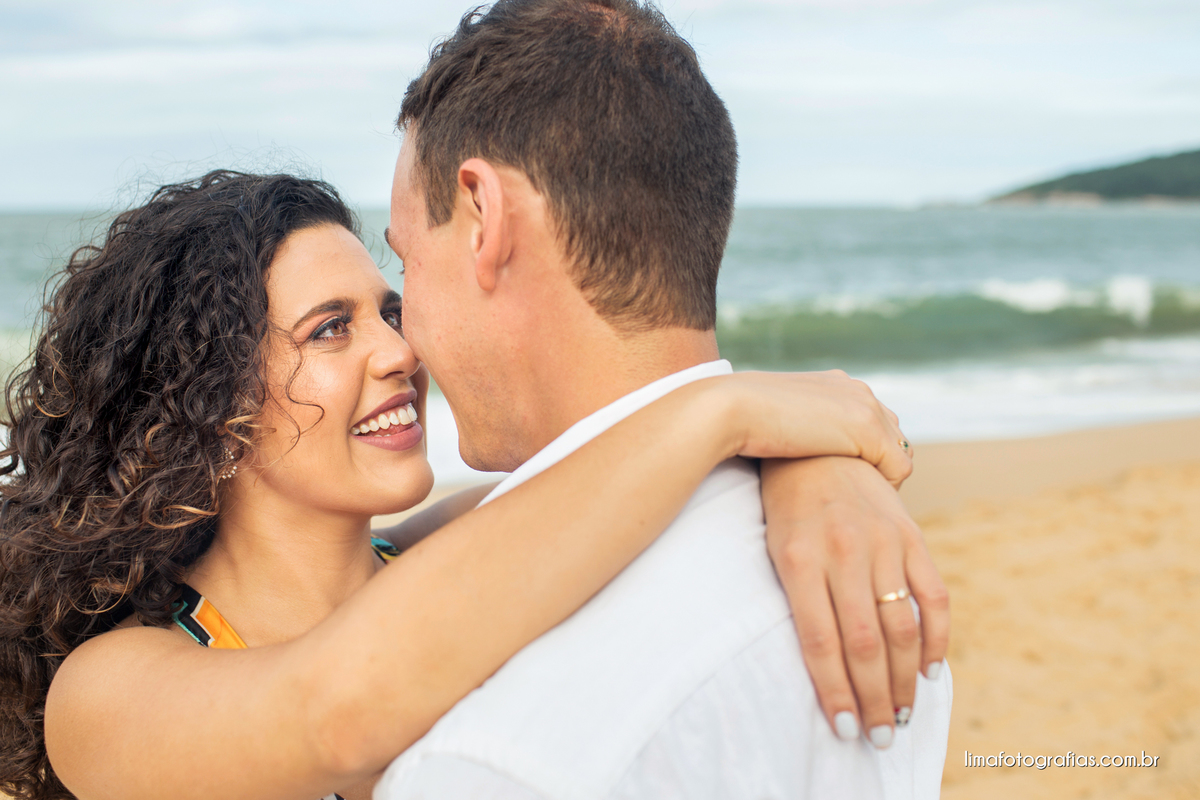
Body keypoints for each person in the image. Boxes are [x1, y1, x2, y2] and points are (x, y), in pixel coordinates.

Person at [0, 170, 917, 800]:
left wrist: (816, 474)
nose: (402, 353)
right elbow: (337, 710)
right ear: (206, 406)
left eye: (390, 312)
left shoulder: (461, 549)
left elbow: (642, 456)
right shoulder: (110, 690)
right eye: (331, 329)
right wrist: (725, 417)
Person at [373, 0, 952, 798]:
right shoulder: (877, 585)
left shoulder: (492, 752)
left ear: (483, 217)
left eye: (406, 262)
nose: (403, 340)